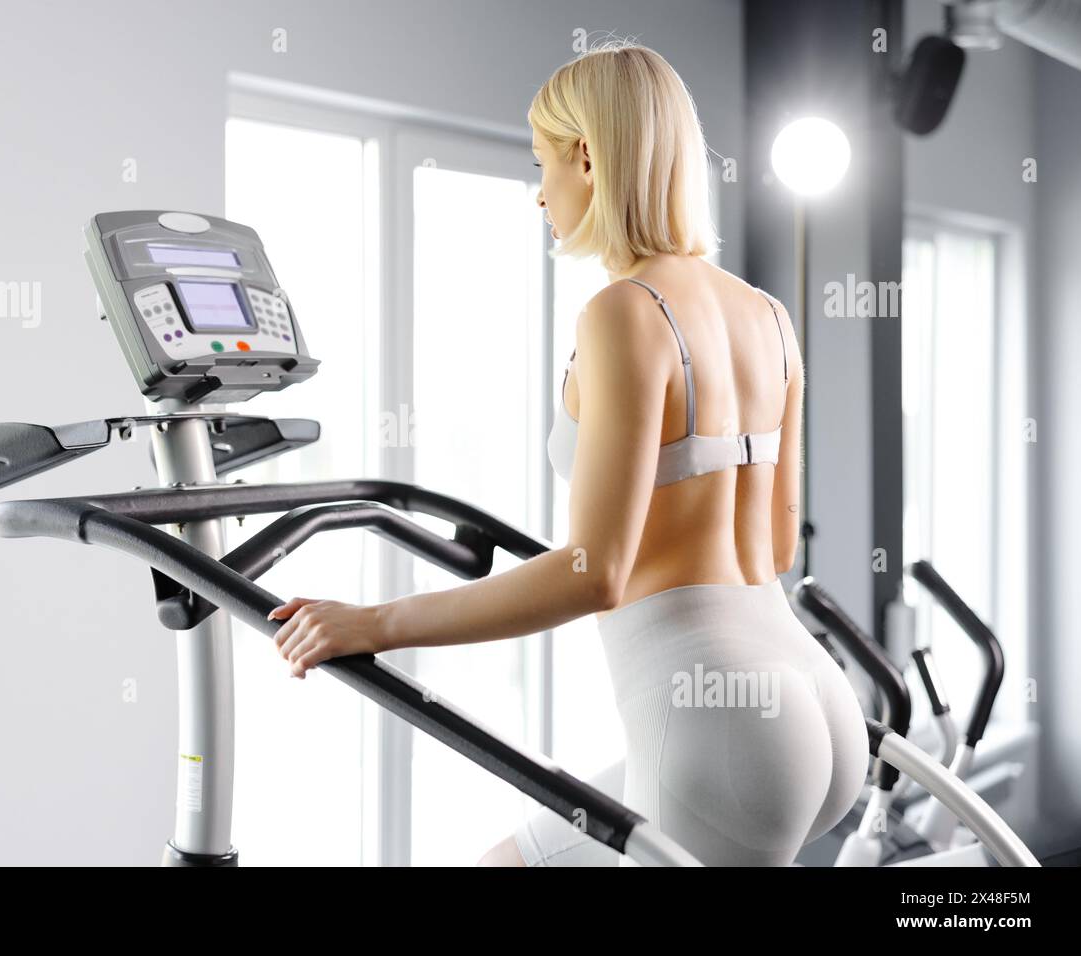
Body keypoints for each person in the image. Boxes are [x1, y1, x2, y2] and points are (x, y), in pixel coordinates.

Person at [266, 40, 868, 867]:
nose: (538, 192)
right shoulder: (766, 313)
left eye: (543, 162)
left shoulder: (624, 313)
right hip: (809, 697)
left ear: (589, 157)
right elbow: (773, 546)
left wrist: (372, 623)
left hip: (718, 728)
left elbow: (594, 571)